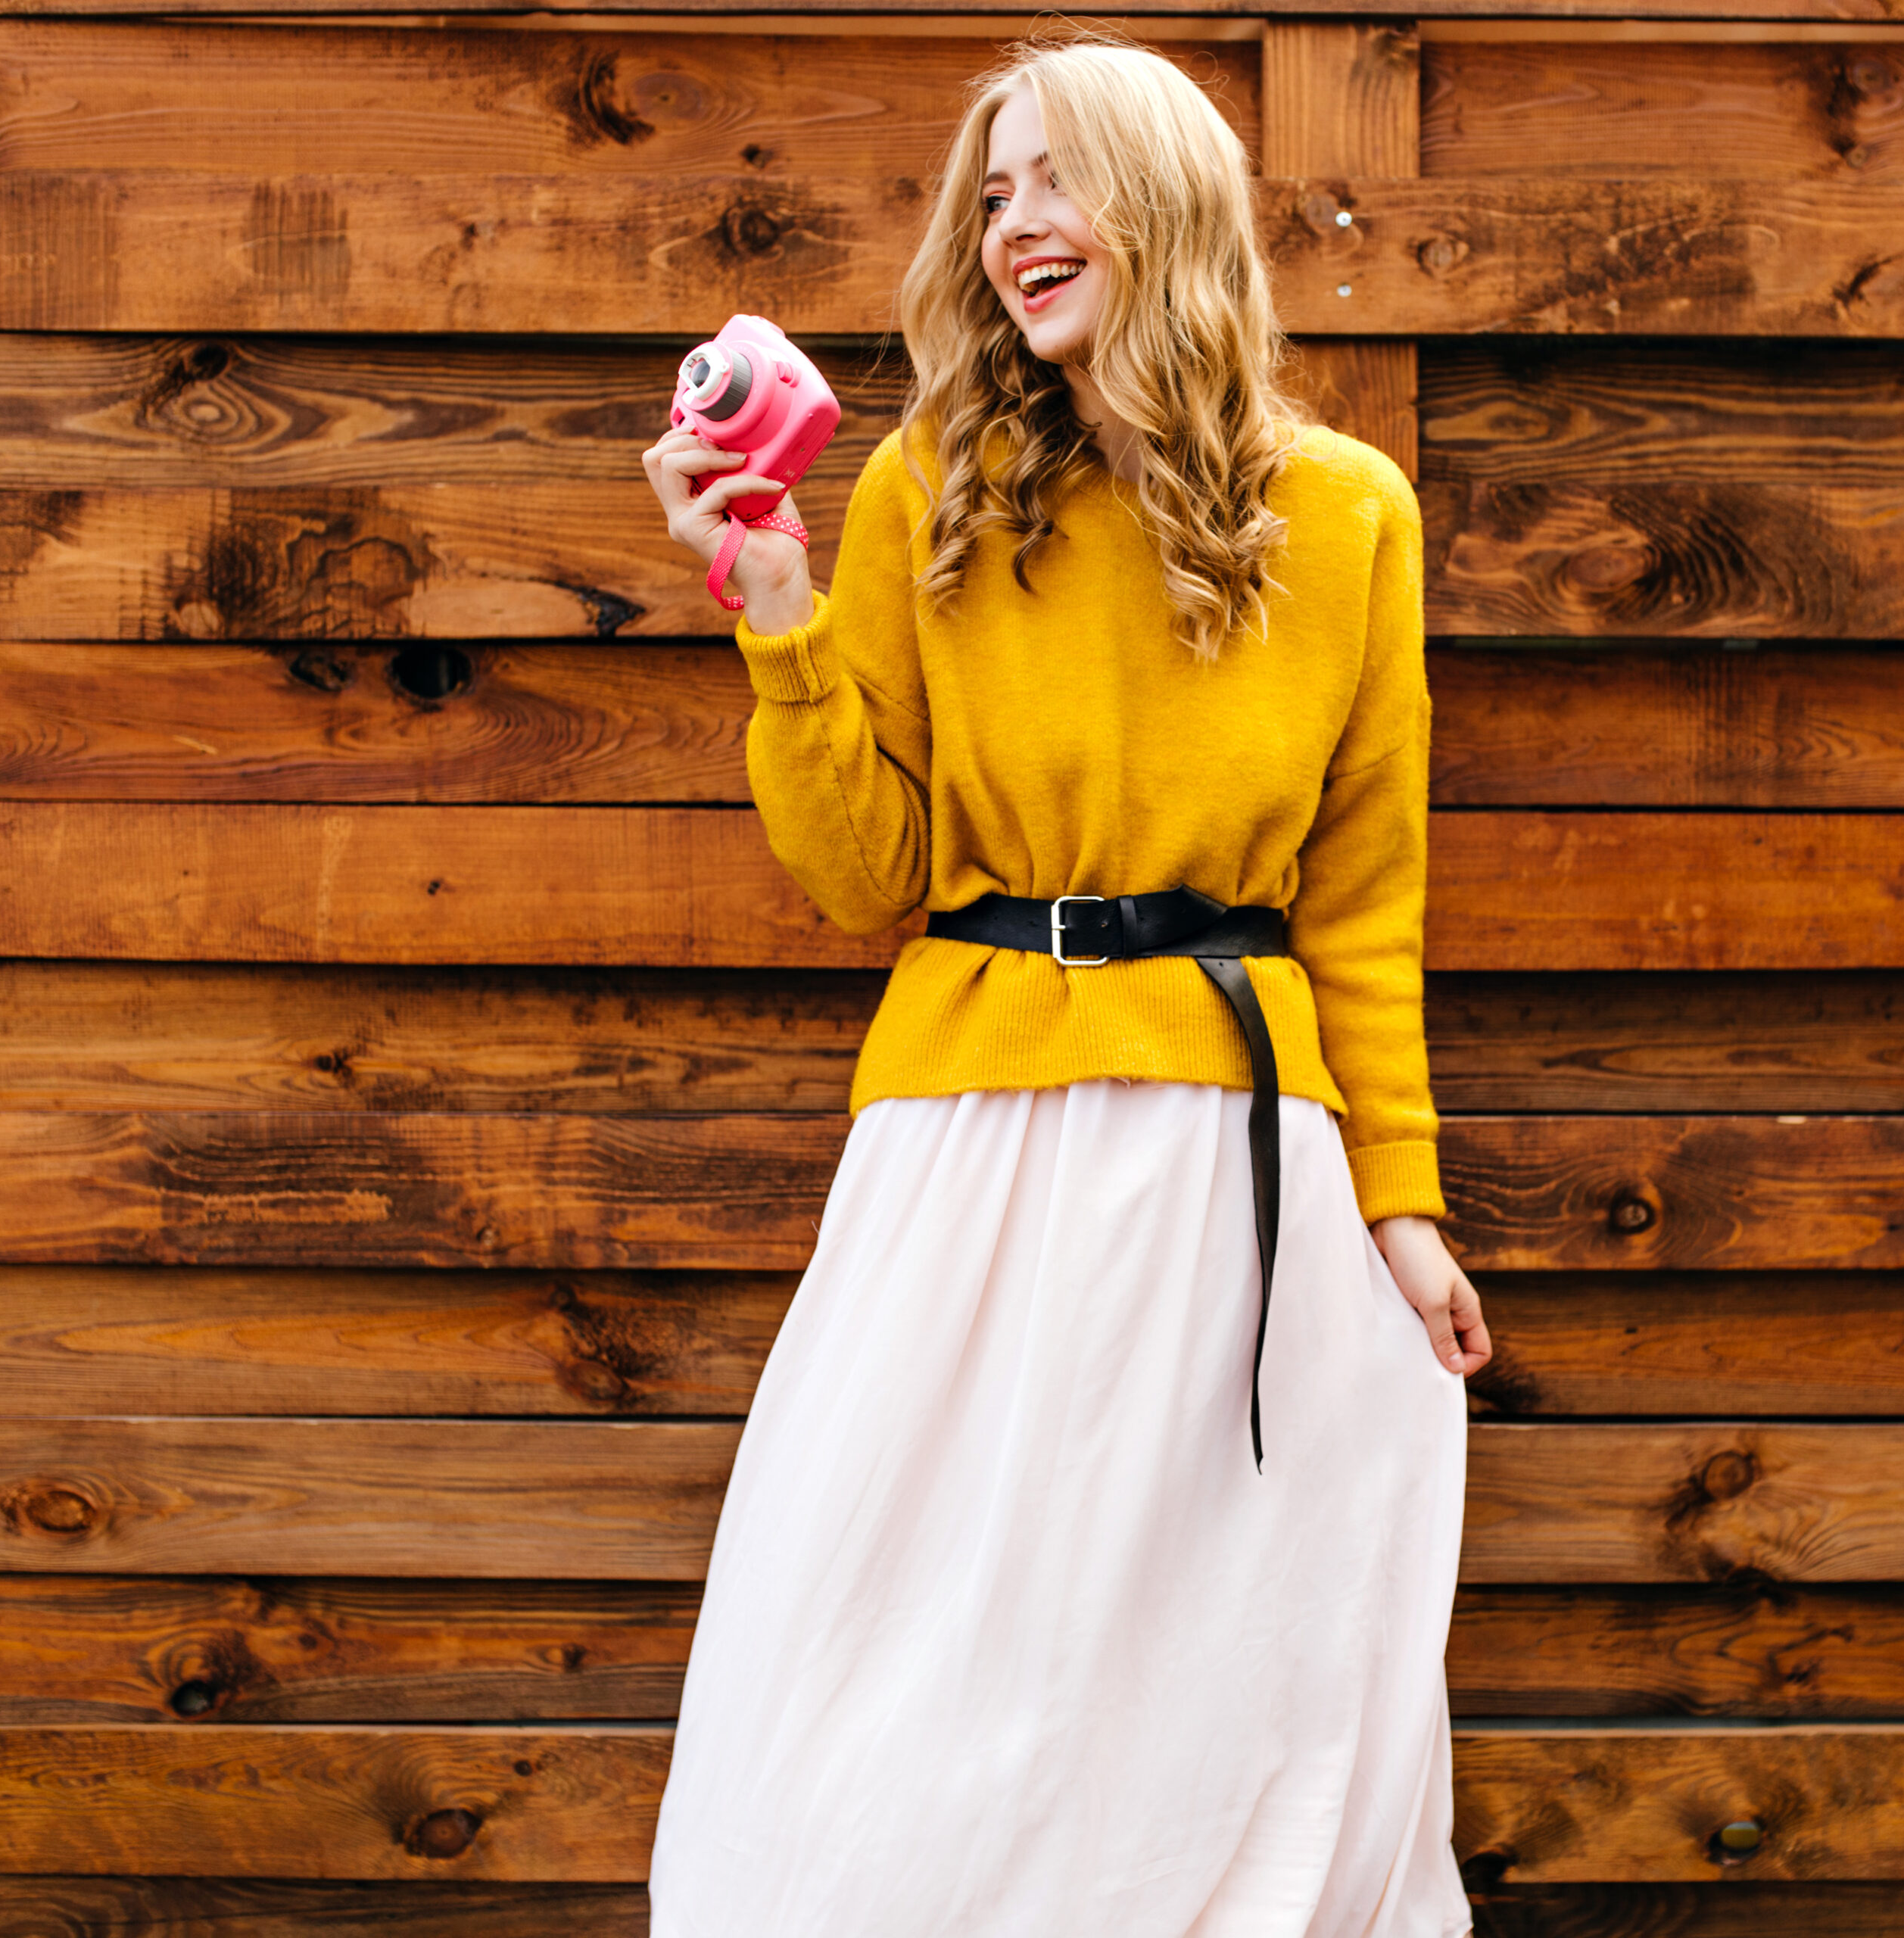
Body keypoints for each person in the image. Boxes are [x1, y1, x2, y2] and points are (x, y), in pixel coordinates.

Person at [637, 32, 1490, 1936]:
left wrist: (1405, 1205)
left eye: (1057, 176)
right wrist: (775, 612)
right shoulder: (929, 489)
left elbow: (1363, 898)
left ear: (1166, 203)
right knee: (889, 1633)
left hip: (1234, 1162)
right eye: (994, 189)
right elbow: (865, 869)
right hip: (972, 1144)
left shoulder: (1347, 516)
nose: (1018, 219)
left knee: (1210, 1656)